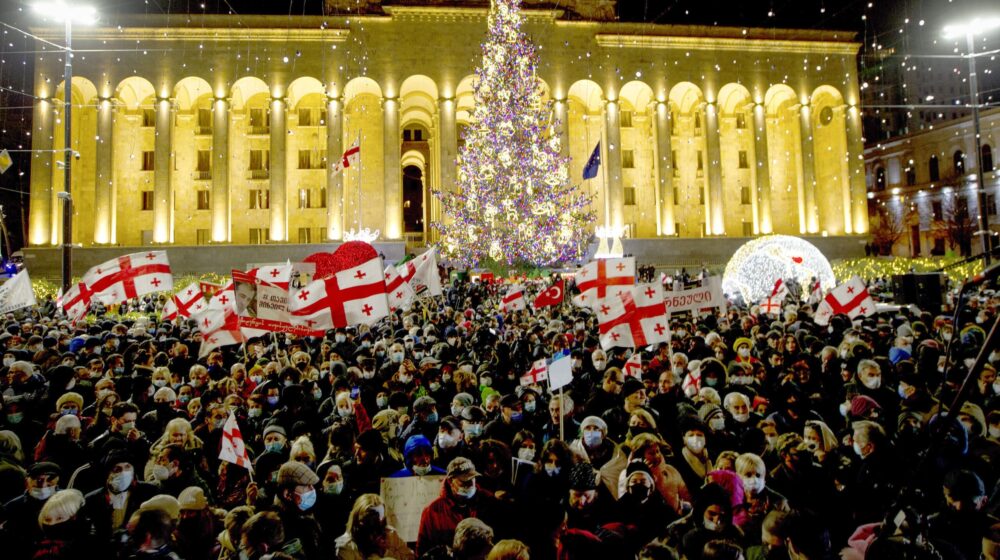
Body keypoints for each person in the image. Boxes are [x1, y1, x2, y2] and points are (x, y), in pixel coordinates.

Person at [417, 457, 502, 556]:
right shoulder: (432, 511)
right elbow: (423, 550)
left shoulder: (489, 501)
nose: (470, 485)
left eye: (472, 479)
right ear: (450, 481)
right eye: (464, 481)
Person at [333, 493, 414, 560]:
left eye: (378, 517)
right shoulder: (346, 547)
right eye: (370, 517)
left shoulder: (391, 535)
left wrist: (385, 552)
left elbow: (410, 557)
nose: (374, 523)